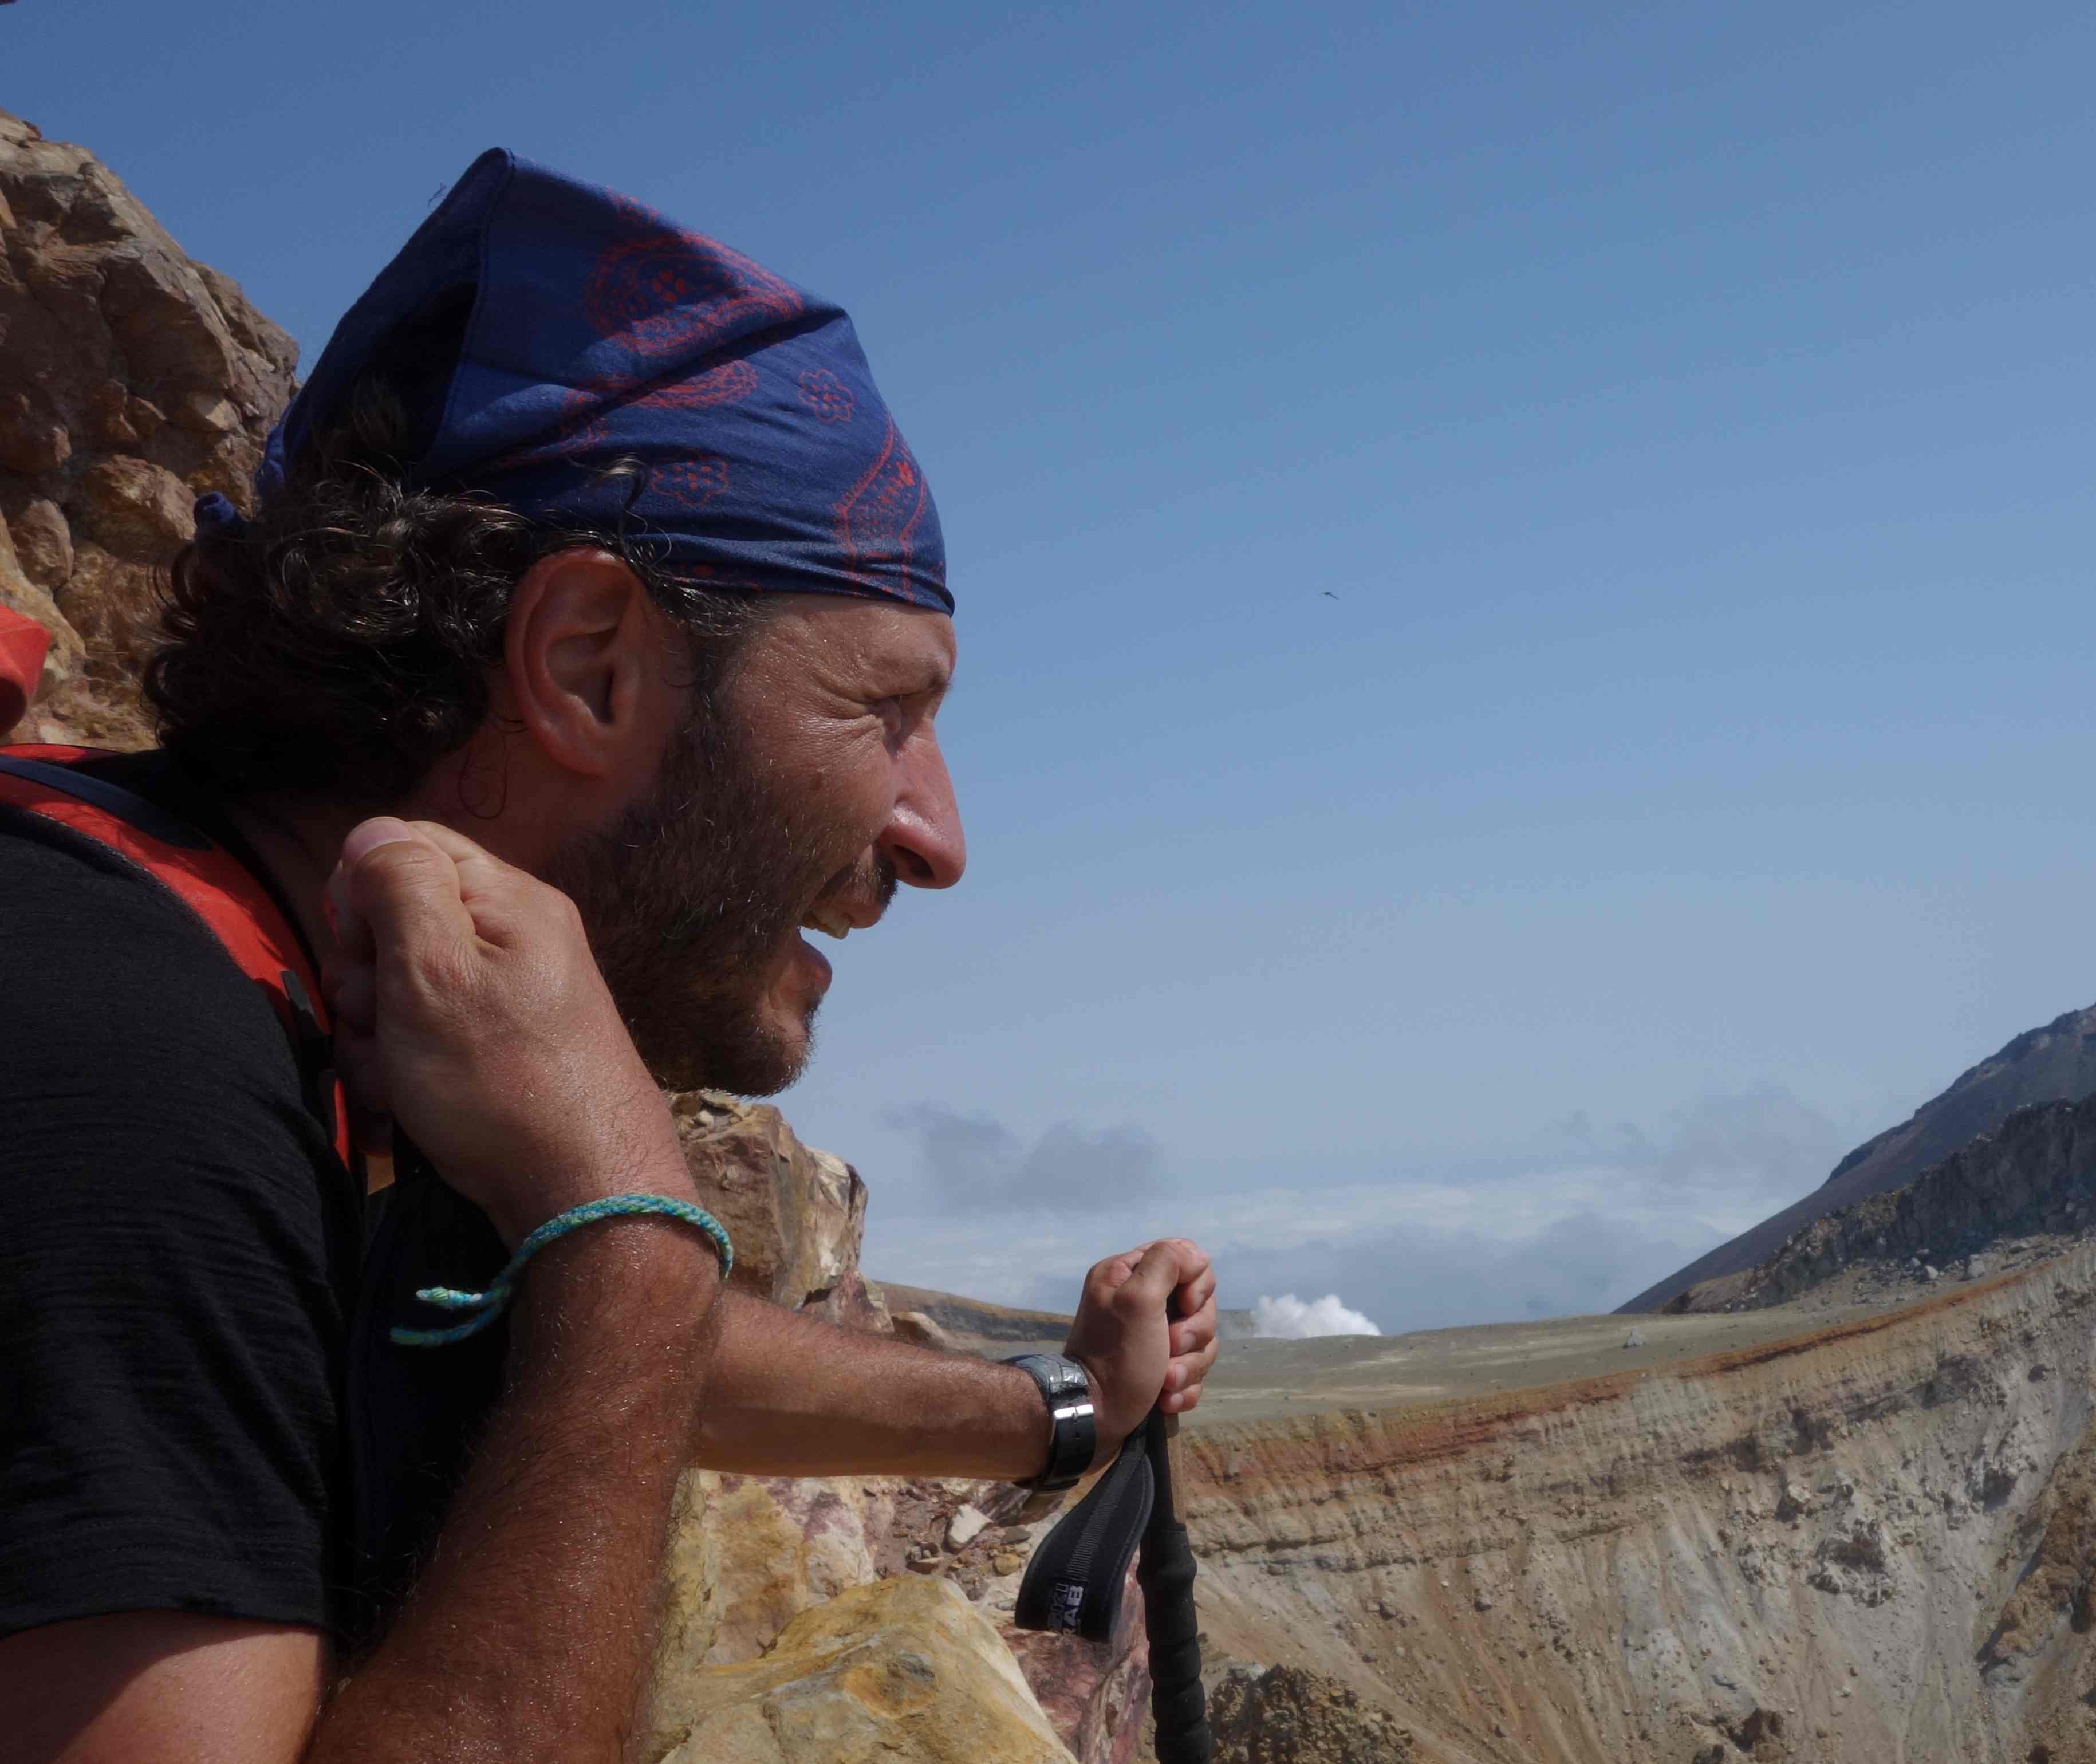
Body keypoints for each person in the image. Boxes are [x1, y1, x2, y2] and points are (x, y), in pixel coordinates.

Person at [0, 151, 1219, 1761]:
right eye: (884, 709)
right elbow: (609, 1334)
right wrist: (625, 1240)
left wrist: (1066, 1409)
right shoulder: (119, 1060)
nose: (939, 836)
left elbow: (501, 1337)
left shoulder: (309, 978)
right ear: (587, 666)